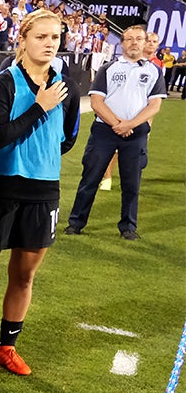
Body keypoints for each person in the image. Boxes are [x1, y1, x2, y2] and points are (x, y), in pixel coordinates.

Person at [0, 9, 80, 378]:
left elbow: (67, 139)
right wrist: (40, 107)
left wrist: (40, 152)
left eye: (55, 37)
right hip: (0, 187)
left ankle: (6, 348)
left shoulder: (66, 87)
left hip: (43, 190)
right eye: (41, 37)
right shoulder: (2, 83)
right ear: (23, 39)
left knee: (25, 274)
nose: (49, 44)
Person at [64, 24, 166, 241]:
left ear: (145, 42)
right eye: (129, 39)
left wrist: (130, 125)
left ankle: (128, 227)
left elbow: (154, 105)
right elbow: (96, 101)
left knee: (132, 183)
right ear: (122, 43)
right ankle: (76, 223)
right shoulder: (108, 68)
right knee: (90, 177)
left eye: (139, 39)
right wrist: (117, 124)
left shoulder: (154, 71)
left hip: (135, 133)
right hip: (104, 131)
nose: (134, 43)